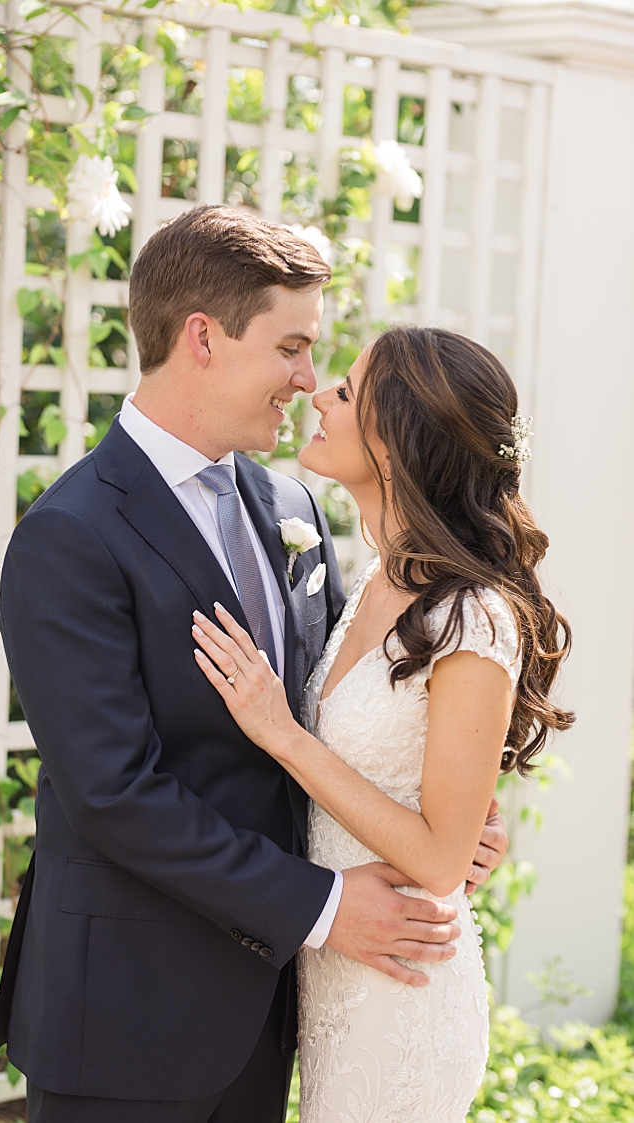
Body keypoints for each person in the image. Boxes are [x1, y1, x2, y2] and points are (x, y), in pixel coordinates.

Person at [0, 205, 511, 1123]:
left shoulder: (287, 502)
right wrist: (321, 905)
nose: (308, 380)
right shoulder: (69, 536)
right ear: (203, 337)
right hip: (127, 1017)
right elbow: (113, 793)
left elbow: (333, 715)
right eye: (293, 347)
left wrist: (449, 821)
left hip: (276, 1016)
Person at [191, 325, 572, 1120]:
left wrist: (281, 731)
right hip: (332, 976)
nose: (318, 394)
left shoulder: (475, 615)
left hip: (403, 989)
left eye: (348, 391)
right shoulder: (370, 583)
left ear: (398, 441)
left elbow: (439, 857)